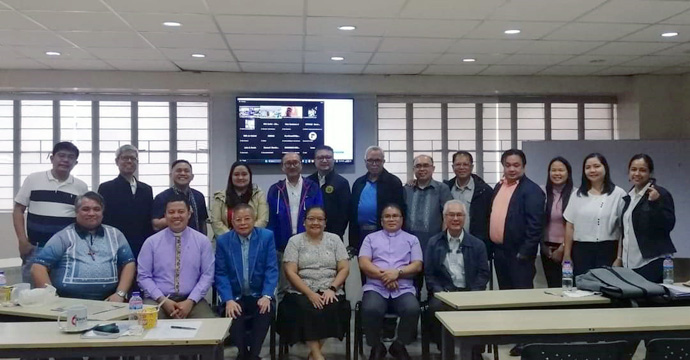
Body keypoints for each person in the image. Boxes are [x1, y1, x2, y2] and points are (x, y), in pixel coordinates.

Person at [31, 191, 135, 301]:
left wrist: (120, 294)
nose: (91, 213)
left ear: (102, 212)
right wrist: (51, 297)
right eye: (86, 209)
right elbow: (38, 267)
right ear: (76, 212)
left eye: (96, 209)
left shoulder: (115, 235)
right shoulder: (63, 236)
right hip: (68, 302)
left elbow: (129, 263)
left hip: (107, 301)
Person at [278, 206, 350, 360]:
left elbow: (344, 268)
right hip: (300, 291)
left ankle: (314, 353)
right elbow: (290, 272)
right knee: (306, 308)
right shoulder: (295, 241)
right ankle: (318, 356)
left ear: (325, 223)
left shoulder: (335, 239)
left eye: (320, 219)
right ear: (304, 222)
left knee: (333, 306)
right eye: (311, 219)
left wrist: (332, 288)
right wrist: (310, 294)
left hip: (330, 289)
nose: (315, 222)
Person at [13, 141, 88, 283]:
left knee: (63, 293)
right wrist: (22, 240)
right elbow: (18, 209)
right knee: (33, 295)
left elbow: (82, 218)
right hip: (36, 248)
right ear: (52, 158)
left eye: (70, 157)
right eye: (61, 155)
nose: (65, 160)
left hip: (66, 251)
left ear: (75, 162)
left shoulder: (81, 187)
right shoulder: (33, 179)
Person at [425, 200, 489, 357]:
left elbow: (483, 274)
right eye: (451, 215)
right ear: (444, 218)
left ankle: (475, 351)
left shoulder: (478, 244)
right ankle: (444, 349)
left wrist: (472, 293)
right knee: (435, 307)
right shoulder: (434, 243)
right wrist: (440, 292)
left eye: (459, 215)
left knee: (479, 308)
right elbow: (430, 274)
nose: (455, 218)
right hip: (445, 293)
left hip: (470, 292)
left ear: (465, 218)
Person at [359, 204, 422, 360]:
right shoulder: (370, 239)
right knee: (370, 309)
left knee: (413, 309)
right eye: (387, 216)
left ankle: (399, 345)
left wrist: (398, 273)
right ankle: (376, 346)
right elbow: (364, 263)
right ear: (381, 221)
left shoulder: (412, 240)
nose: (391, 219)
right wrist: (386, 277)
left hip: (403, 288)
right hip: (376, 287)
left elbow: (417, 265)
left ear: (402, 220)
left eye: (395, 216)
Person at [215, 203, 278, 360]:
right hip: (235, 296)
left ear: (254, 219)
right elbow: (221, 274)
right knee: (234, 313)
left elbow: (271, 269)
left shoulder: (266, 236)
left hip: (260, 295)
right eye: (238, 220)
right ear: (232, 221)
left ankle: (253, 355)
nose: (243, 223)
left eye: (247, 219)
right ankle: (243, 354)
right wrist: (228, 299)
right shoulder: (223, 241)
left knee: (265, 312)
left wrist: (267, 295)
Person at [137, 194, 215, 319]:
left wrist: (190, 301)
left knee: (210, 328)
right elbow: (143, 276)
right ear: (165, 215)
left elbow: (207, 276)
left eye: (181, 212)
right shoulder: (151, 242)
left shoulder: (202, 241)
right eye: (171, 212)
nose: (176, 216)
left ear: (189, 214)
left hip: (192, 300)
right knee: (145, 325)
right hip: (157, 299)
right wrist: (163, 300)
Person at [489, 149, 545, 290]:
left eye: (516, 165)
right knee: (505, 295)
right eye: (508, 165)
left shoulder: (532, 190)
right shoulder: (499, 186)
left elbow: (536, 226)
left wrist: (524, 252)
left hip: (519, 255)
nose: (511, 169)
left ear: (524, 166)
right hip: (500, 252)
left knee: (522, 298)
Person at [563, 153, 626, 277]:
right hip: (581, 251)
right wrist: (567, 255)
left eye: (596, 166)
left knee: (608, 287)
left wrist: (619, 257)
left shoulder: (618, 194)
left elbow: (622, 230)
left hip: (608, 250)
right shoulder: (577, 195)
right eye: (588, 167)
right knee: (582, 289)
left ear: (605, 168)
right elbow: (570, 226)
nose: (592, 170)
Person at [614, 154, 675, 283]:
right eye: (633, 169)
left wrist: (655, 203)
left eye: (642, 170)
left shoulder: (660, 194)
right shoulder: (629, 197)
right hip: (629, 264)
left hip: (652, 262)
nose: (637, 173)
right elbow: (626, 232)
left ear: (650, 172)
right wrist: (619, 258)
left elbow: (667, 225)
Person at [98, 144, 154, 258]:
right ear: (117, 161)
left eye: (133, 158)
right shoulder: (106, 188)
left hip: (142, 244)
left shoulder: (146, 189)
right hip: (114, 244)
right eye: (125, 158)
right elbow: (102, 218)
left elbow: (149, 219)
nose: (129, 161)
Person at [350, 146, 405, 253]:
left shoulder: (393, 182)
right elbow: (352, 213)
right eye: (370, 160)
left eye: (377, 160)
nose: (374, 164)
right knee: (364, 266)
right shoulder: (358, 183)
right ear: (365, 162)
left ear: (383, 161)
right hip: (360, 233)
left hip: (384, 234)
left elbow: (400, 211)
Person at [267, 152, 324, 253]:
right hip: (282, 245)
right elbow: (271, 220)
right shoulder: (275, 190)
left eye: (295, 163)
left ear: (301, 165)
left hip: (308, 243)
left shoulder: (312, 187)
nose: (292, 166)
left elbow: (319, 216)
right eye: (288, 163)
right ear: (282, 167)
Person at [444, 151, 493, 257]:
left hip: (475, 245)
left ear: (472, 167)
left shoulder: (485, 191)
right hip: (449, 245)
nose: (462, 167)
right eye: (458, 164)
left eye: (465, 164)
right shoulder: (445, 188)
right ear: (453, 167)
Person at [403, 154, 453, 251]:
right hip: (408, 244)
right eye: (418, 166)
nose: (422, 169)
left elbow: (448, 216)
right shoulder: (406, 189)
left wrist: (443, 240)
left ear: (433, 168)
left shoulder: (442, 189)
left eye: (426, 165)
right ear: (413, 169)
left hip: (435, 244)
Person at [540, 157, 575, 288]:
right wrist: (543, 246)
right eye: (553, 170)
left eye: (561, 170)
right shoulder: (541, 192)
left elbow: (575, 225)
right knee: (552, 286)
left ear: (568, 173)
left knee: (568, 286)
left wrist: (563, 248)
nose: (557, 173)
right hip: (546, 249)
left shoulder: (575, 194)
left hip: (568, 249)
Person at [211, 161, 268, 237]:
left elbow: (262, 220)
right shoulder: (220, 196)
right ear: (231, 177)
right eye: (236, 174)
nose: (240, 177)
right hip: (226, 241)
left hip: (254, 240)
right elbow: (216, 222)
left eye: (244, 174)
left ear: (249, 176)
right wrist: (233, 238)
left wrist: (247, 236)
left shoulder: (259, 194)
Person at [152, 160, 209, 235]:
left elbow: (203, 223)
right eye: (179, 171)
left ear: (192, 176)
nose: (182, 173)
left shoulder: (199, 196)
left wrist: (204, 240)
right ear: (170, 175)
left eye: (186, 171)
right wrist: (177, 217)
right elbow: (155, 225)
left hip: (195, 241)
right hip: (169, 241)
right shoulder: (161, 197)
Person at [307, 145, 351, 239]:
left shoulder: (342, 183)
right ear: (314, 160)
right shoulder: (308, 182)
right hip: (309, 234)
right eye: (320, 158)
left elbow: (345, 213)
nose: (324, 160)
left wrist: (337, 234)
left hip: (333, 236)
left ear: (333, 160)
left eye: (328, 157)